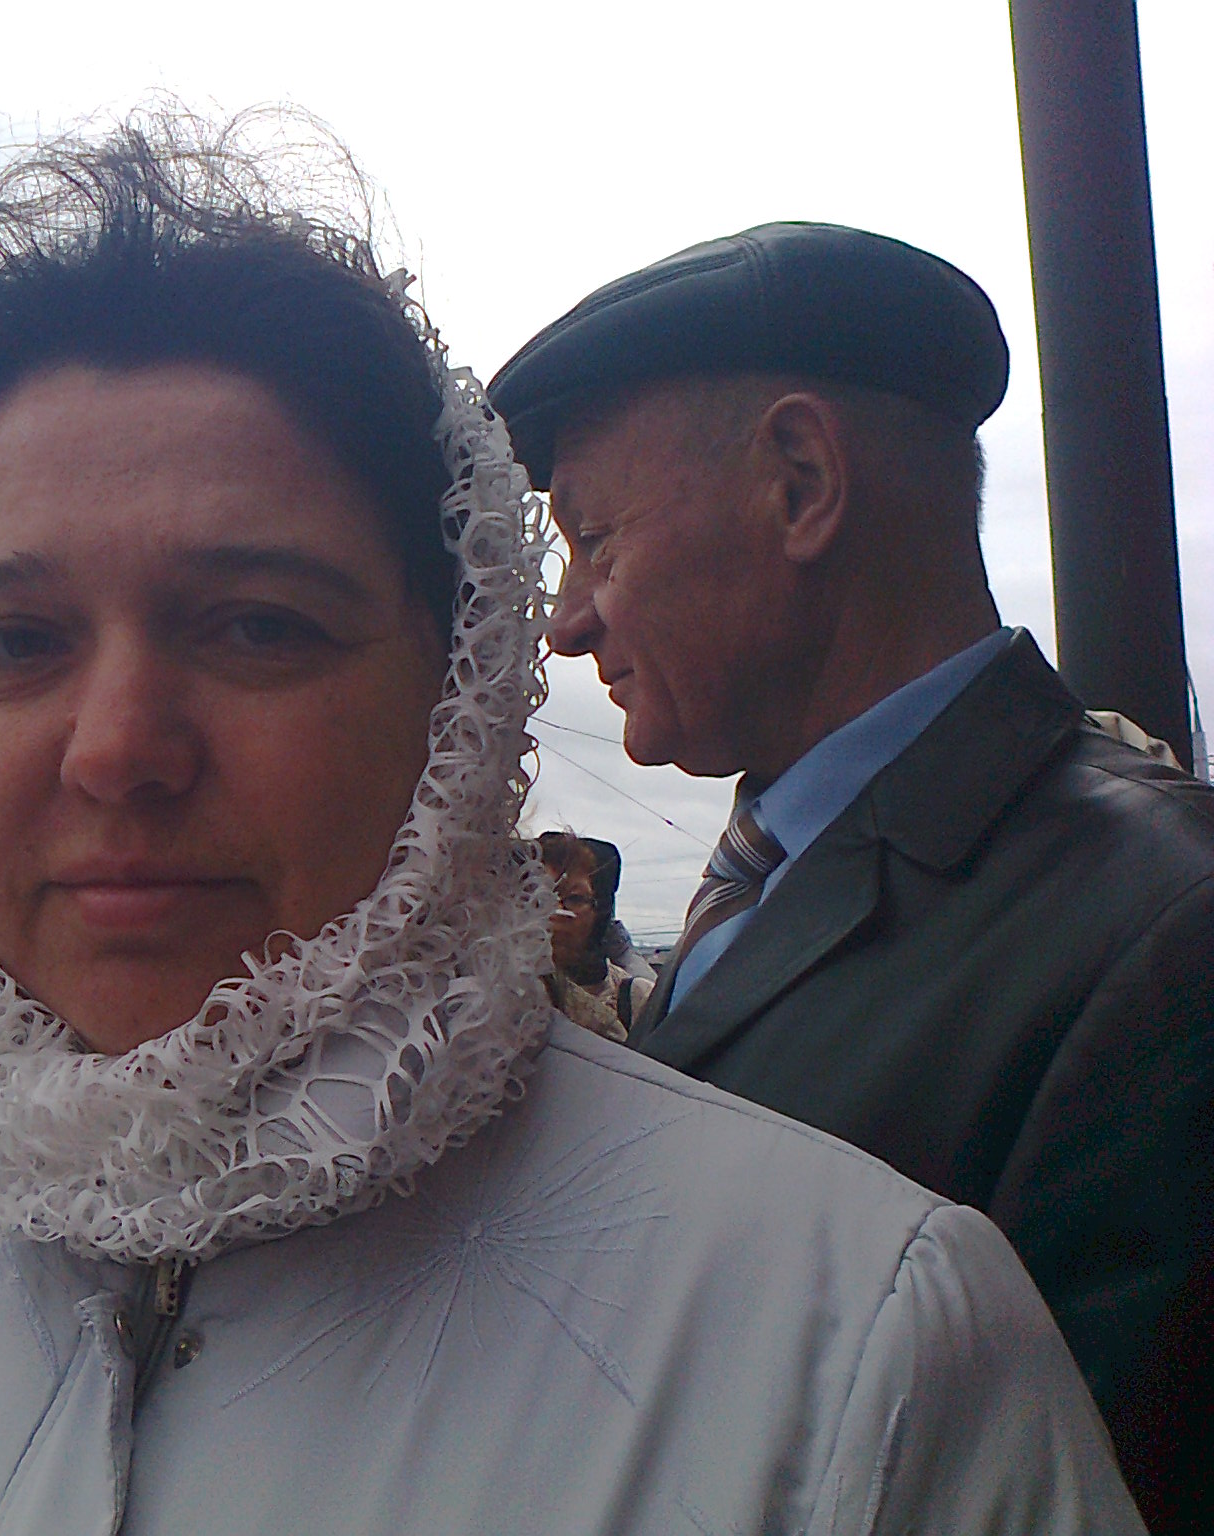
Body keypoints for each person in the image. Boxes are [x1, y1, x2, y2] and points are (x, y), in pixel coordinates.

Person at [0, 118, 1138, 1533]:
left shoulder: (864, 1354)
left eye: (258, 625)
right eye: (17, 642)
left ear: (455, 699)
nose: (114, 752)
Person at [487, 219, 1213, 1526]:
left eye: (593, 539)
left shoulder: (1171, 934)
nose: (567, 621)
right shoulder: (799, 879)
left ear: (801, 483)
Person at [532, 832, 651, 1041]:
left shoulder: (634, 999)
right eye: (540, 898)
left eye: (574, 898)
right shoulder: (497, 991)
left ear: (600, 910)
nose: (555, 912)